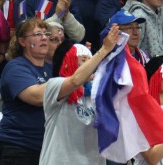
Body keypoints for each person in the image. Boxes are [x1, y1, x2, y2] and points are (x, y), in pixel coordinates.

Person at [40, 27, 119, 165]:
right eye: (84, 60)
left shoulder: (96, 92)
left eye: (91, 60)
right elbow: (75, 80)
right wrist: (103, 50)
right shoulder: (54, 85)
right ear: (67, 62)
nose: (90, 65)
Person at [0, 18, 52, 165]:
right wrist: (69, 79)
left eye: (46, 33)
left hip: (46, 147)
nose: (44, 37)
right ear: (22, 41)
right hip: (18, 146)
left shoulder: (51, 69)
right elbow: (37, 96)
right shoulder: (15, 67)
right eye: (37, 34)